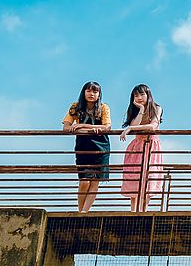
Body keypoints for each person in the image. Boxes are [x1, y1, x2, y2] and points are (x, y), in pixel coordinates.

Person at [62, 81, 111, 212]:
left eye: (95, 92)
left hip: (101, 147)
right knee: (84, 180)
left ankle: (85, 212)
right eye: (89, 91)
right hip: (83, 146)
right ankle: (80, 211)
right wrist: (81, 127)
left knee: (95, 182)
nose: (91, 94)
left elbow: (107, 127)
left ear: (99, 94)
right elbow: (66, 127)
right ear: (83, 92)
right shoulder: (75, 107)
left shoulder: (103, 107)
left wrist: (83, 126)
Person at [119, 84, 164, 212]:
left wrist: (131, 128)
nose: (139, 97)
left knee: (148, 179)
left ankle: (143, 211)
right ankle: (133, 212)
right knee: (135, 178)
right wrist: (140, 110)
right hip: (137, 146)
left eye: (142, 94)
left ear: (148, 95)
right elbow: (134, 123)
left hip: (151, 146)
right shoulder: (135, 110)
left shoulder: (156, 108)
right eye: (136, 95)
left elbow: (153, 126)